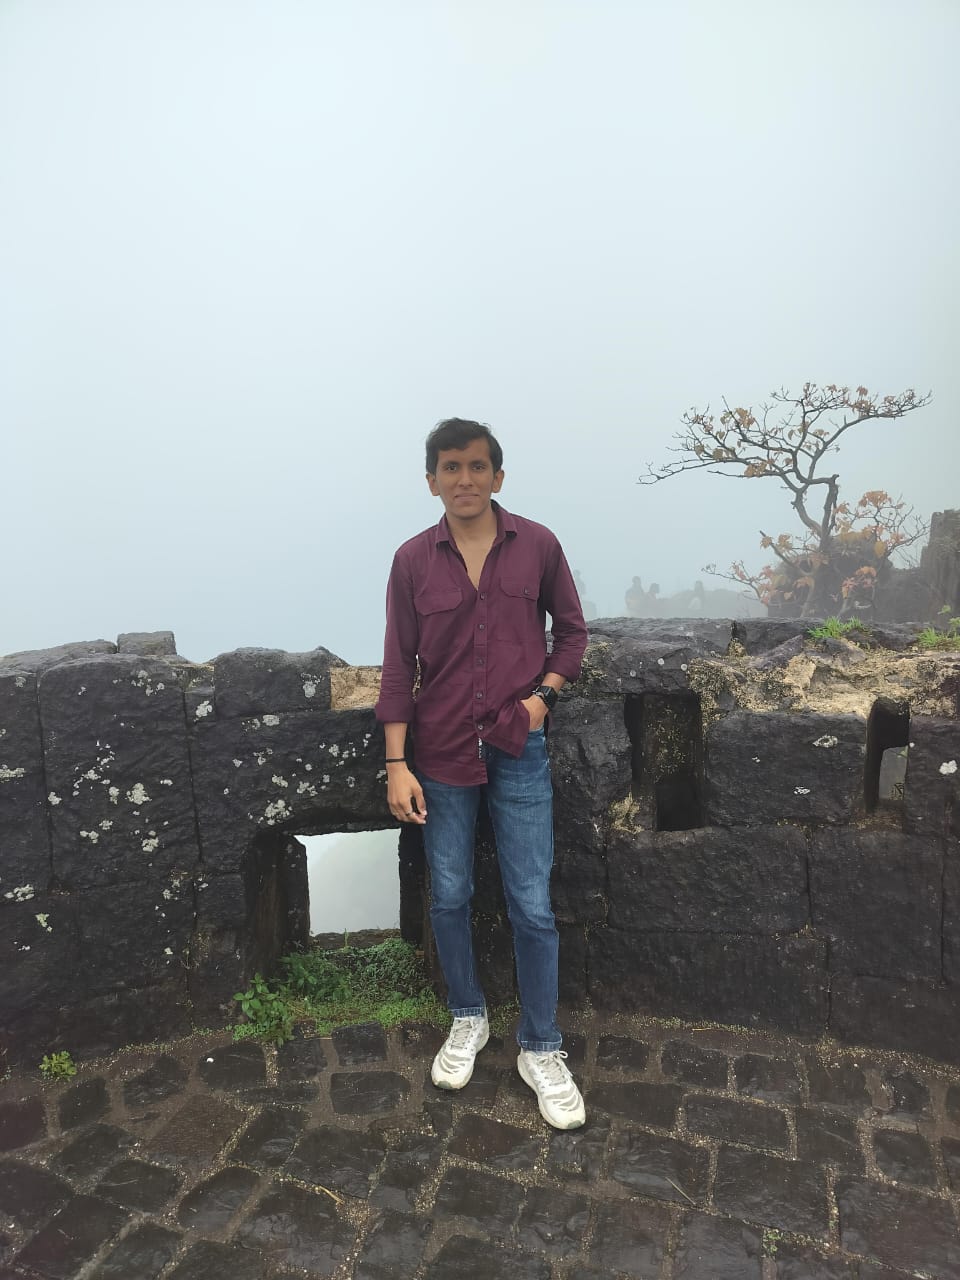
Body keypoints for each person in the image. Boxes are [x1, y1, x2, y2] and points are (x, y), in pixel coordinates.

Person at [375, 418, 588, 1130]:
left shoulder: (539, 546)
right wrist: (396, 763)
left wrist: (540, 701)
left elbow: (573, 633)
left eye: (476, 466)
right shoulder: (412, 561)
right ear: (430, 479)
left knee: (531, 899)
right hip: (436, 754)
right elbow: (399, 666)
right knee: (451, 894)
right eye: (448, 467)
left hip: (517, 745)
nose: (463, 479)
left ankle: (541, 1046)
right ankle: (468, 1015)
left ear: (498, 476)